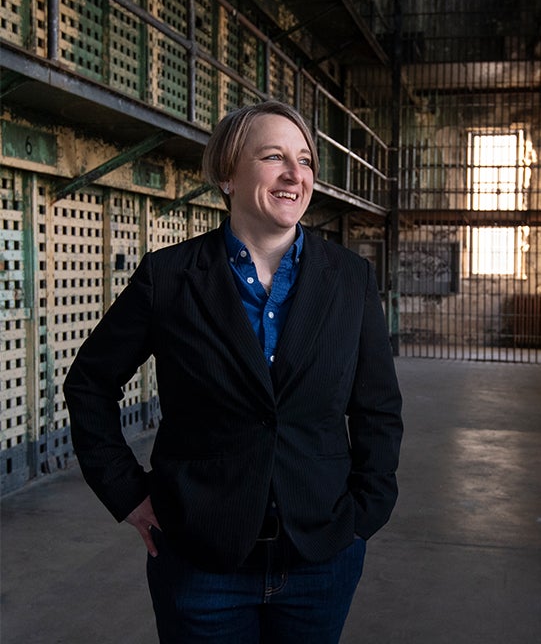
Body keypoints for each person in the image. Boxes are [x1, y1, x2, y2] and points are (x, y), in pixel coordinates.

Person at [63, 99, 403, 643]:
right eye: (274, 157)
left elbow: (378, 407)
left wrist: (367, 510)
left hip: (322, 553)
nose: (296, 174)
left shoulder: (349, 280)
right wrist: (126, 492)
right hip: (201, 561)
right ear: (227, 174)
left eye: (306, 160)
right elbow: (89, 384)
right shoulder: (169, 278)